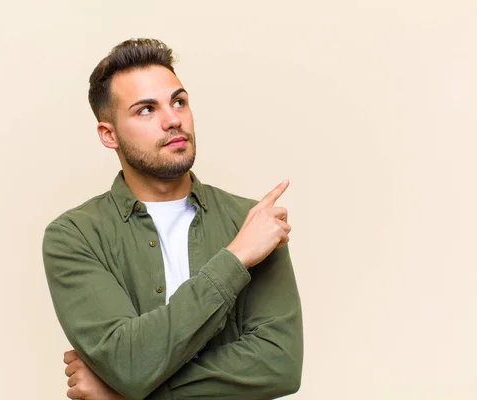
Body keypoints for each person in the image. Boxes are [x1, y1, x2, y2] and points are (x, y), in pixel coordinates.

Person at [42, 38, 303, 400]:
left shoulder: (252, 221)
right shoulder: (75, 236)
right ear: (109, 134)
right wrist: (236, 258)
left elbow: (280, 365)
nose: (173, 119)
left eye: (178, 102)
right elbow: (129, 364)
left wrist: (125, 394)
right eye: (146, 110)